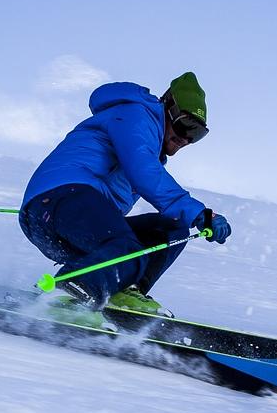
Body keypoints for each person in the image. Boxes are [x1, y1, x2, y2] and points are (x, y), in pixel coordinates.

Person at [19, 71, 230, 328]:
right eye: (186, 125)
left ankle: (121, 290)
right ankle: (69, 293)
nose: (186, 138)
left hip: (74, 217)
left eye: (197, 134)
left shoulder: (152, 144)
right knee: (126, 248)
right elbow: (143, 170)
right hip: (58, 201)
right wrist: (199, 213)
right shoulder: (137, 116)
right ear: (168, 107)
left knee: (171, 229)